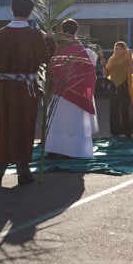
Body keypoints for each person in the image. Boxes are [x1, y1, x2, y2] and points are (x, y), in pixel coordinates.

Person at [0, 0, 54, 186]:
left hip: (6, 86)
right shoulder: (35, 35)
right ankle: (23, 168)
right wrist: (50, 41)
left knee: (5, 123)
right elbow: (47, 58)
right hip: (27, 87)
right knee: (25, 124)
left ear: (11, 9)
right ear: (31, 11)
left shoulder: (2, 32)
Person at [45, 19, 99, 159]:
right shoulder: (81, 50)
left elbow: (49, 68)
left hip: (58, 93)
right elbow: (90, 72)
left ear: (62, 30)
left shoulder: (58, 48)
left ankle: (54, 149)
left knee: (57, 123)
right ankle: (74, 151)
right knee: (73, 124)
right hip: (76, 94)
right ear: (76, 31)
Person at [105, 41, 133, 139]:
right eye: (116, 48)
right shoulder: (112, 59)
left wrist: (130, 59)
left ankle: (127, 133)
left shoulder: (128, 59)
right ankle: (115, 133)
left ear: (125, 49)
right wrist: (104, 65)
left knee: (125, 111)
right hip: (114, 87)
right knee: (114, 110)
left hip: (125, 86)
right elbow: (106, 74)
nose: (118, 50)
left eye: (120, 49)